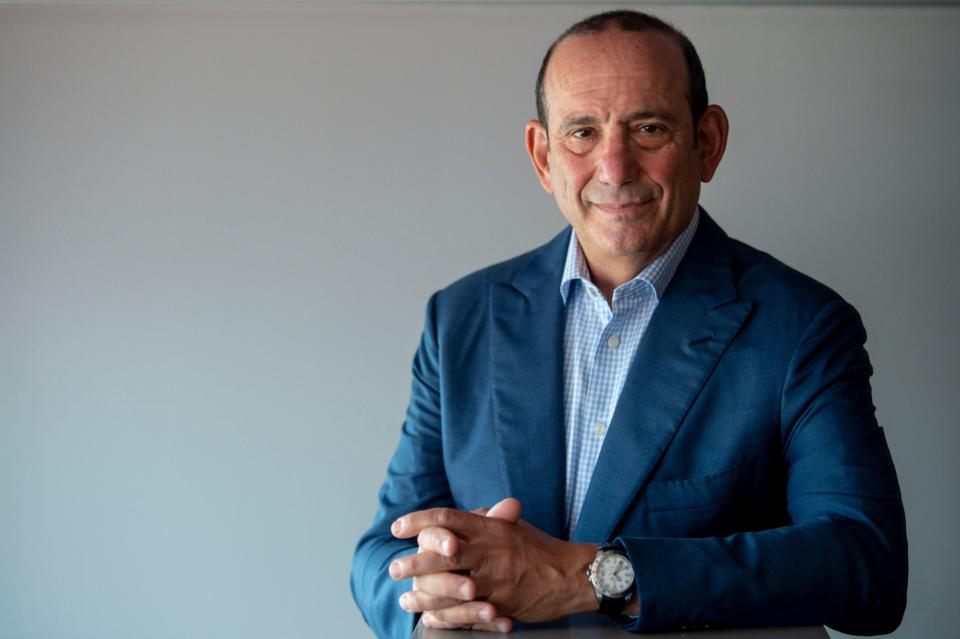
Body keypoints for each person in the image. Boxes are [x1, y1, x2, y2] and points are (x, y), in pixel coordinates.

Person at [350, 10, 907, 639]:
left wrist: (588, 575)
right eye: (582, 133)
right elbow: (381, 551)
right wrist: (431, 612)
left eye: (648, 128)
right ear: (542, 157)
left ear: (708, 141)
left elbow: (868, 567)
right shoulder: (460, 318)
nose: (614, 169)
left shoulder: (804, 327)